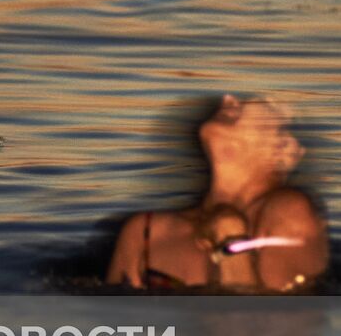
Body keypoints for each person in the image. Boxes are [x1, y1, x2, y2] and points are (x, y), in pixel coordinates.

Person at [106, 94, 327, 292]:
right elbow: (115, 331)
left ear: (285, 149)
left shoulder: (290, 212)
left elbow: (257, 327)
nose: (228, 98)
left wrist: (230, 238)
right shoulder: (145, 231)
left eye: (253, 97)